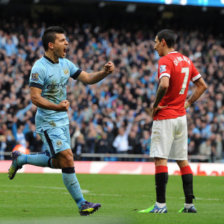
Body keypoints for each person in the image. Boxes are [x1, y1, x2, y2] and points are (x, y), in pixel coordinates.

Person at [8, 26, 114, 216]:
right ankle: (82, 203)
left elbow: (88, 78)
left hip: (63, 120)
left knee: (59, 163)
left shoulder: (66, 64)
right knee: (67, 158)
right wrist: (58, 107)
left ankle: (21, 158)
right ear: (51, 44)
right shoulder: (39, 68)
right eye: (62, 40)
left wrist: (104, 72)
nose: (67, 43)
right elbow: (35, 98)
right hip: (48, 122)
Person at [138, 29, 207, 214]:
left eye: (155, 42)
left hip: (166, 116)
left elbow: (164, 84)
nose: (153, 46)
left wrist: (155, 104)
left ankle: (160, 205)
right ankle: (189, 205)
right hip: (181, 117)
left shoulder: (165, 60)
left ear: (163, 42)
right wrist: (189, 103)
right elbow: (202, 85)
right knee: (182, 160)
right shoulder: (187, 60)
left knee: (160, 158)